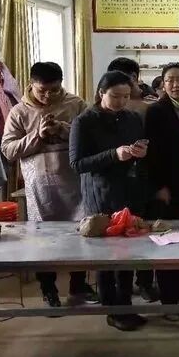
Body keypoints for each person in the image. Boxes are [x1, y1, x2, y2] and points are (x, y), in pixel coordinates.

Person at [1, 62, 96, 308]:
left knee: (80, 234)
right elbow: (8, 150)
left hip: (74, 184)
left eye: (54, 90)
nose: (48, 96)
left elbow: (92, 139)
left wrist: (65, 130)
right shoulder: (19, 112)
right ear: (31, 84)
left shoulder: (76, 105)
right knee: (42, 239)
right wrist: (38, 135)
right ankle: (48, 289)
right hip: (40, 187)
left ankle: (78, 285)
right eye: (42, 90)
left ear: (61, 84)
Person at [69, 71, 148, 331]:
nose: (121, 101)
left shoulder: (132, 118)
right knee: (106, 254)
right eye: (115, 96)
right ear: (101, 93)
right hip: (101, 193)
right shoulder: (84, 121)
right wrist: (114, 154)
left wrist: (139, 152)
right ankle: (111, 309)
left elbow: (137, 152)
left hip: (129, 190)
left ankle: (125, 304)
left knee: (128, 251)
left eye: (126, 96)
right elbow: (77, 163)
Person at [145, 63, 179, 318]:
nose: (176, 85)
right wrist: (159, 186)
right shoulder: (156, 111)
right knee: (168, 241)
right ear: (163, 85)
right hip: (168, 185)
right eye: (170, 80)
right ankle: (169, 300)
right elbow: (152, 154)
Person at [108, 56, 158, 301]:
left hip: (142, 178)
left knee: (144, 232)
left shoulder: (148, 106)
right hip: (112, 183)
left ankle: (145, 282)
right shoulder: (97, 111)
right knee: (117, 239)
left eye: (129, 79)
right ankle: (118, 294)